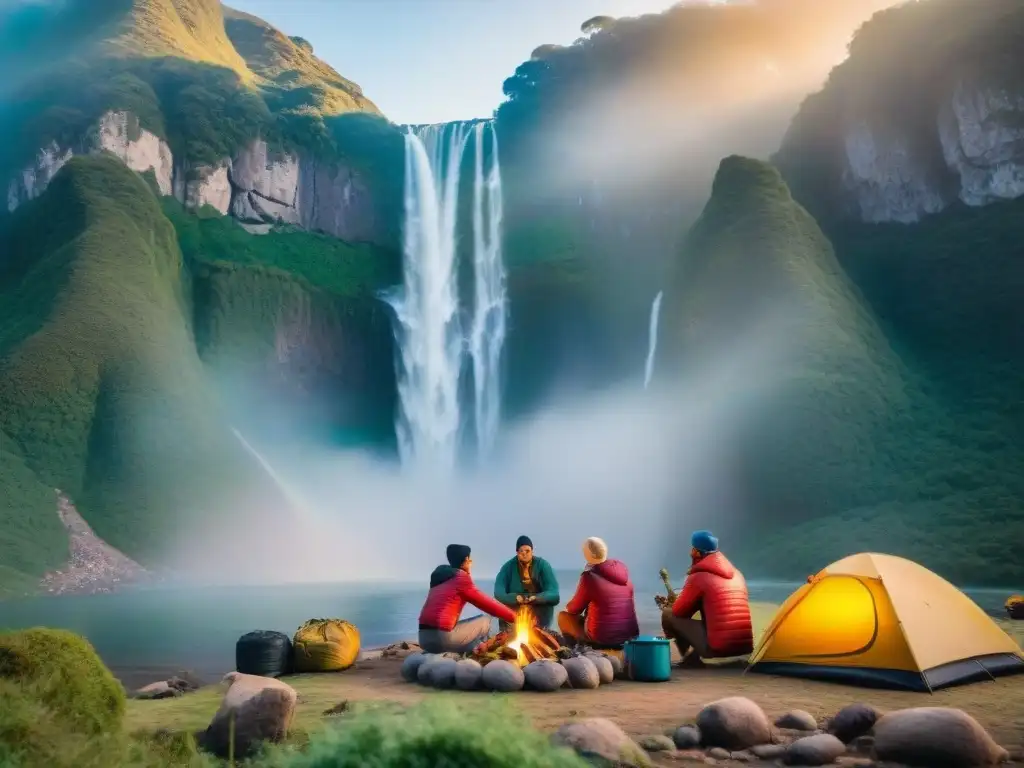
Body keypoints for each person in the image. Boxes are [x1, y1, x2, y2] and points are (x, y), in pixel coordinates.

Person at [661, 530, 753, 667]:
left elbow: (679, 612)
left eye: (692, 548)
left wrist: (668, 605)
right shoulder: (737, 574)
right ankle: (694, 656)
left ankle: (689, 658)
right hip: (744, 648)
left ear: (697, 552)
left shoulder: (699, 576)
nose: (690, 552)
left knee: (668, 615)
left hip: (718, 649)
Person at [418, 544, 517, 654]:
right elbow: (487, 604)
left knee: (470, 641)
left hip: (423, 638)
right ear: (466, 560)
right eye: (469, 558)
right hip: (443, 637)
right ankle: (489, 652)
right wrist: (514, 616)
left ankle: (475, 650)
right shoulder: (460, 579)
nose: (471, 561)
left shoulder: (440, 579)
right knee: (486, 620)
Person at [558, 537, 640, 648]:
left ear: (588, 554)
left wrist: (568, 606)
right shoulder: (626, 579)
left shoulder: (589, 577)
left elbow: (574, 609)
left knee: (563, 617)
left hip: (602, 639)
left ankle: (575, 652)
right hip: (629, 637)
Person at [494, 535, 560, 630]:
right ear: (517, 552)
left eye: (527, 551)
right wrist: (514, 598)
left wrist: (538, 598)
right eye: (521, 551)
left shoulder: (543, 565)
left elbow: (554, 594)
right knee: (502, 607)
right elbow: (498, 592)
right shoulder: (508, 567)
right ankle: (507, 635)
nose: (524, 554)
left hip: (538, 612)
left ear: (532, 551)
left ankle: (542, 632)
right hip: (515, 611)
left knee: (547, 605)